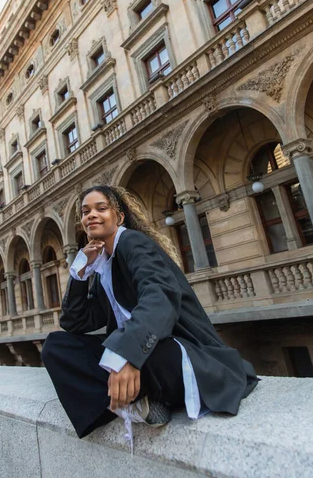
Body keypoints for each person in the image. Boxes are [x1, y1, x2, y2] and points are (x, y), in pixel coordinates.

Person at [42, 185, 258, 448]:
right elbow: (75, 322)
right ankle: (136, 404)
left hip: (172, 352)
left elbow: (161, 295)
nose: (91, 216)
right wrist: (80, 270)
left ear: (119, 217)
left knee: (136, 347)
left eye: (101, 208)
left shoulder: (132, 242)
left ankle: (140, 399)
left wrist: (129, 352)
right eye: (85, 212)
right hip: (143, 356)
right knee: (56, 346)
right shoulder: (103, 267)